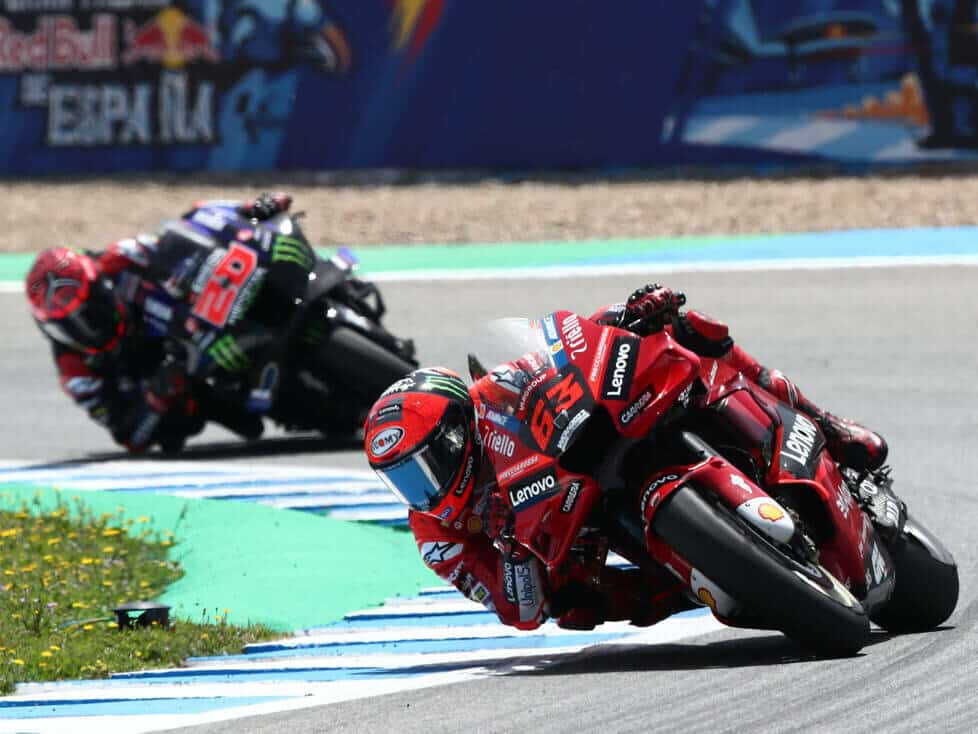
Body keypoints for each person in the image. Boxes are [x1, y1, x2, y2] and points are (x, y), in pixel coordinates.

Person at [363, 284, 888, 632]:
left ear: (458, 432)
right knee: (576, 606)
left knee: (690, 332)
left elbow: (562, 347)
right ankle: (695, 582)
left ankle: (826, 423)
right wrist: (512, 550)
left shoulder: (490, 396)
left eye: (426, 465)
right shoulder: (436, 536)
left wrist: (625, 315)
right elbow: (519, 611)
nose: (422, 488)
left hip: (586, 449)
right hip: (571, 536)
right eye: (402, 479)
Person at [24, 193, 291, 453]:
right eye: (68, 326)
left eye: (90, 314)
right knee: (180, 427)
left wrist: (247, 213)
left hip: (201, 318)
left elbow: (190, 230)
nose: (86, 329)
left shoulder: (121, 257)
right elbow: (128, 435)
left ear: (101, 289)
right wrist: (157, 397)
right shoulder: (75, 371)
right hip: (184, 382)